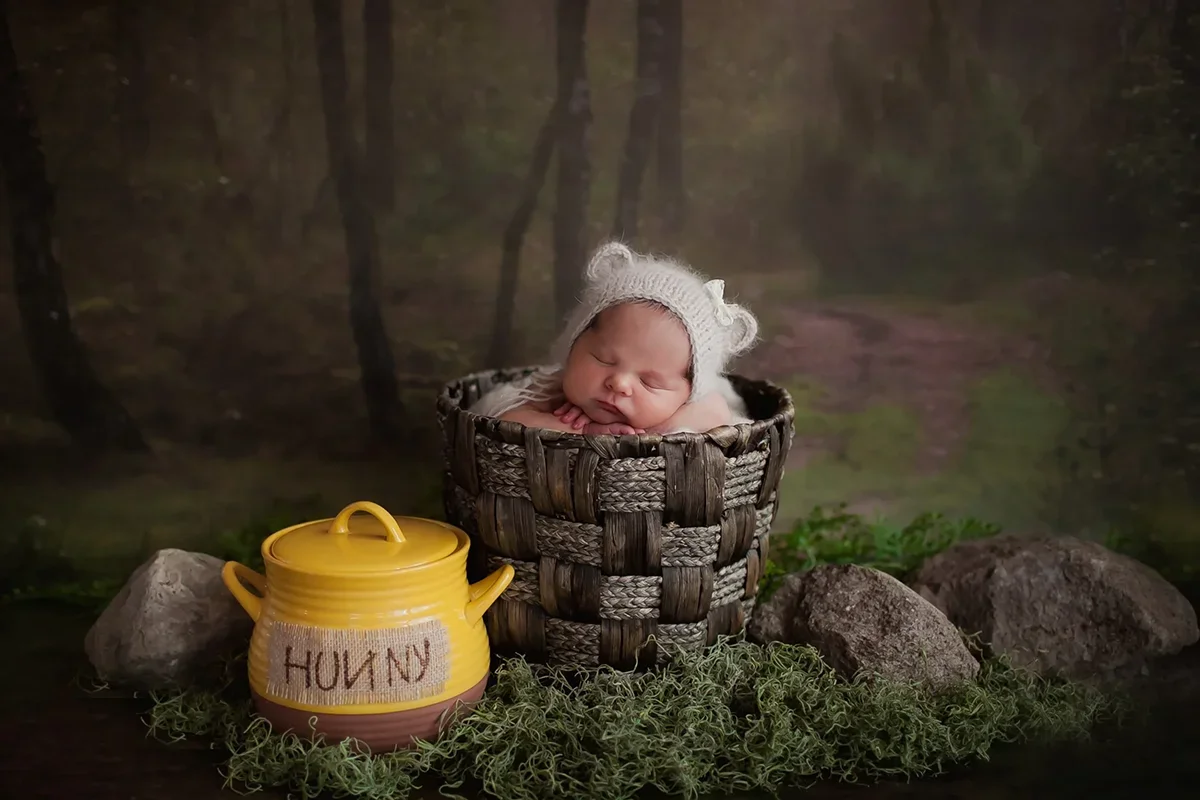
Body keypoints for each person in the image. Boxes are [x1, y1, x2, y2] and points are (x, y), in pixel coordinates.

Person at [469, 241, 759, 434]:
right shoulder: (551, 389)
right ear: (573, 347)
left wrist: (650, 436)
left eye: (650, 382)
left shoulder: (702, 401)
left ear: (688, 394)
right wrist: (578, 430)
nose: (619, 384)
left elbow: (718, 417)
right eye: (604, 360)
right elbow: (492, 416)